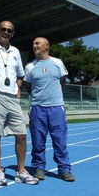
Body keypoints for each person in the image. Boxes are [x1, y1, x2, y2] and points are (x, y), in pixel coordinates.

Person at [0, 21, 39, 186]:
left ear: (13, 34)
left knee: (21, 134)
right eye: (3, 29)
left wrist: (19, 89)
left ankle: (21, 171)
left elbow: (20, 74)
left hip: (12, 98)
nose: (6, 32)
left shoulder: (15, 52)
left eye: (9, 30)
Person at [24, 37, 75, 182]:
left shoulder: (57, 63)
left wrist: (55, 99)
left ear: (47, 46)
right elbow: (28, 86)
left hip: (56, 108)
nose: (34, 45)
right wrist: (38, 99)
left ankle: (64, 169)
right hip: (37, 109)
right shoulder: (30, 67)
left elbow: (62, 82)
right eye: (33, 43)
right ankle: (39, 168)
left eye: (37, 43)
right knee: (38, 142)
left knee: (59, 141)